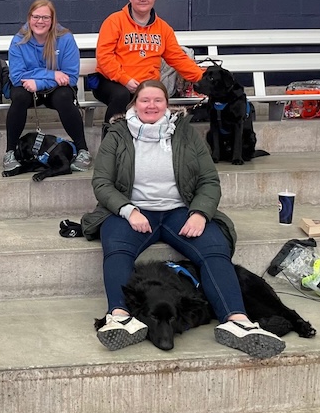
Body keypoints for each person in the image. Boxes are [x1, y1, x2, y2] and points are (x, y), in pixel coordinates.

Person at [80, 80, 285, 359]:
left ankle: (237, 322)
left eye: (157, 100)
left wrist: (200, 212)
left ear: (167, 104)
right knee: (116, 247)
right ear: (134, 104)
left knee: (214, 250)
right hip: (133, 211)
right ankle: (120, 317)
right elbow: (102, 183)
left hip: (180, 210)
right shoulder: (117, 134)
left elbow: (209, 180)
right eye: (144, 100)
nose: (151, 106)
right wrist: (128, 210)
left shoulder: (185, 134)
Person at [92, 0, 203, 132]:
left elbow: (178, 58)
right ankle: (109, 142)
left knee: (155, 98)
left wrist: (202, 77)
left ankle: (153, 144)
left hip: (146, 84)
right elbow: (104, 57)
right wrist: (125, 79)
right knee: (122, 95)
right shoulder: (114, 21)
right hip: (112, 81)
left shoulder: (163, 28)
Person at [3, 0, 92, 174]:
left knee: (64, 97)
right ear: (29, 18)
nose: (40, 21)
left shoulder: (65, 38)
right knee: (19, 96)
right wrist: (52, 74)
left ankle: (83, 151)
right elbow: (17, 76)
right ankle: (10, 153)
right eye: (36, 17)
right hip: (27, 87)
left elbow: (71, 77)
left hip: (54, 90)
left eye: (45, 17)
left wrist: (40, 82)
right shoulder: (19, 40)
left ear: (52, 20)